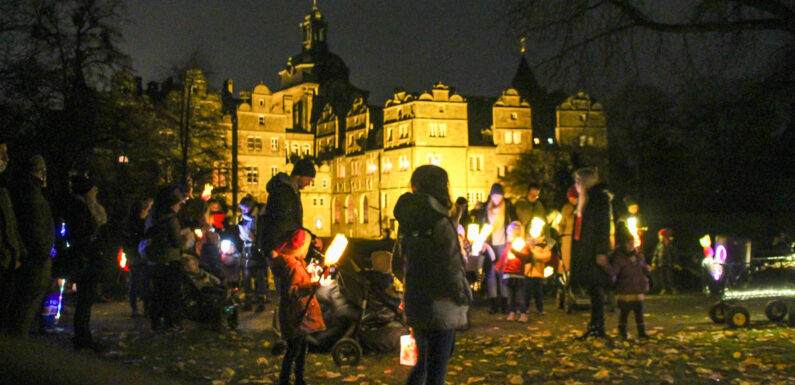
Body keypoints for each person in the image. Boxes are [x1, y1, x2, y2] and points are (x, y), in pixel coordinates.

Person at [395, 165, 470, 385]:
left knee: (422, 364)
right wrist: (462, 297)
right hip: (441, 303)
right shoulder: (439, 222)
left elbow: (397, 263)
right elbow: (451, 267)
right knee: (437, 369)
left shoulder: (408, 222)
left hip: (416, 300)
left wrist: (412, 281)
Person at [8, 154, 55, 336]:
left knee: (25, 307)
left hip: (35, 257)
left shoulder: (27, 191)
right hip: (34, 260)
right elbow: (34, 227)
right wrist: (42, 252)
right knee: (24, 309)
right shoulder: (29, 194)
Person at [271, 229, 325, 385]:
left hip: (301, 313)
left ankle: (299, 378)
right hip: (295, 314)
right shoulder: (290, 266)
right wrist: (309, 287)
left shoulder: (297, 263)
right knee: (293, 349)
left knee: (301, 348)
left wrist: (315, 274)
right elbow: (291, 291)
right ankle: (285, 379)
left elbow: (302, 279)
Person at [569, 167, 613, 340]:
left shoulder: (599, 199)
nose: (576, 185)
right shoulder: (585, 200)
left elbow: (603, 227)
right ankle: (594, 325)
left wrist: (601, 251)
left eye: (578, 181)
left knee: (596, 288)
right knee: (592, 288)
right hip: (586, 250)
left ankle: (598, 326)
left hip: (594, 250)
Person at [63, 175, 106, 350]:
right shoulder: (81, 208)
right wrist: (92, 238)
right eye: (94, 189)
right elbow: (81, 234)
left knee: (85, 299)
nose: (96, 192)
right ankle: (82, 337)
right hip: (86, 258)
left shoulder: (82, 206)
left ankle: (83, 335)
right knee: (85, 299)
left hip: (86, 256)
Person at [144, 186, 185, 332]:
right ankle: (170, 322)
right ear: (172, 205)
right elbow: (177, 242)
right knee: (170, 292)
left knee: (157, 291)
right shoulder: (171, 219)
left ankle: (155, 322)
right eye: (178, 204)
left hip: (153, 259)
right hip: (169, 259)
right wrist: (185, 238)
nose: (179, 207)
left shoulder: (153, 216)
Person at [604, 226, 651, 339]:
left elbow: (642, 267)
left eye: (632, 243)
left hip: (638, 289)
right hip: (626, 290)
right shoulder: (619, 258)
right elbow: (613, 271)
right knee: (624, 312)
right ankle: (622, 331)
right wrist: (605, 265)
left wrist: (647, 268)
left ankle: (642, 332)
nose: (631, 245)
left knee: (639, 312)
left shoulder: (638, 256)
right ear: (623, 244)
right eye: (629, 243)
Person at [476, 183, 515, 314]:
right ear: (491, 196)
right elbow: (480, 225)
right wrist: (482, 241)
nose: (497, 199)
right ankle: (493, 304)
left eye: (499, 196)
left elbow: (514, 223)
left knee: (503, 273)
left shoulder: (508, 208)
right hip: (490, 244)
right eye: (495, 196)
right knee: (491, 273)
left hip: (503, 243)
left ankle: (505, 303)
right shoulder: (486, 209)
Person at [0, 140, 25, 334]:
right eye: (1, 152)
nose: (5, 158)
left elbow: (10, 227)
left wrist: (16, 252)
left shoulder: (4, 190)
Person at [494, 221, 531, 322]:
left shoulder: (523, 245)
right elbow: (504, 257)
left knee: (520, 295)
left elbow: (525, 256)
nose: (514, 233)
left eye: (516, 231)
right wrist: (498, 267)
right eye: (512, 231)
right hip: (508, 274)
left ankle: (523, 313)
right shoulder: (508, 245)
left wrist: (514, 251)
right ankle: (512, 312)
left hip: (518, 274)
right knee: (510, 296)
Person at [238, 195, 269, 312]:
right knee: (246, 275)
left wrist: (256, 238)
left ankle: (261, 301)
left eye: (244, 209)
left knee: (260, 275)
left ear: (250, 207)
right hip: (247, 249)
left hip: (258, 250)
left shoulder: (260, 217)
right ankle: (248, 301)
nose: (243, 212)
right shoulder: (245, 217)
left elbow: (263, 232)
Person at [124, 197, 152, 318]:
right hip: (141, 253)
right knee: (144, 281)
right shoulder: (143, 223)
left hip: (132, 254)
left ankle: (135, 308)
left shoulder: (127, 222)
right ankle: (145, 308)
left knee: (134, 281)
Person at [524, 226, 552, 316]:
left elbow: (547, 256)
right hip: (528, 272)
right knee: (526, 292)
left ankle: (540, 309)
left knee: (538, 293)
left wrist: (534, 254)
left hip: (538, 273)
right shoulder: (526, 243)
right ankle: (525, 308)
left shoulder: (543, 245)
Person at [558, 186, 578, 276]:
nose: (572, 200)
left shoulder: (582, 208)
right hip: (567, 240)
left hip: (578, 240)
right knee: (566, 263)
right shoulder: (566, 208)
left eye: (573, 198)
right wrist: (561, 232)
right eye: (570, 198)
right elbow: (562, 223)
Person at [652, 228, 678, 295]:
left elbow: (674, 254)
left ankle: (673, 288)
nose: (659, 237)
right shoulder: (659, 245)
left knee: (670, 277)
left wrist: (676, 262)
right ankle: (664, 289)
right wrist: (654, 261)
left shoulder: (671, 245)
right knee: (662, 277)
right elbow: (656, 253)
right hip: (661, 263)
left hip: (669, 263)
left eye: (660, 236)